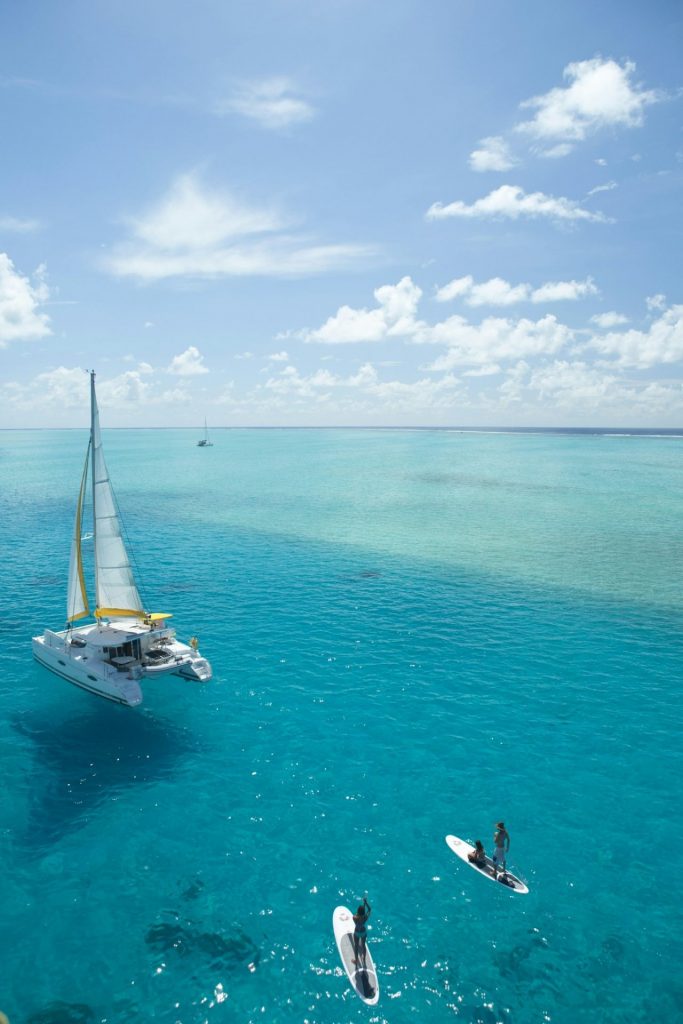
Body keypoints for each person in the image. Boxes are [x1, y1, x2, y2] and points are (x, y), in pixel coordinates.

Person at [352, 897, 371, 965]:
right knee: (363, 945)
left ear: (358, 911)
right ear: (363, 912)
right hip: (363, 932)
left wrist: (363, 906)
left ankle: (356, 960)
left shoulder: (354, 918)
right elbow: (369, 909)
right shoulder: (365, 917)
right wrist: (365, 903)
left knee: (356, 946)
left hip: (357, 933)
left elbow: (356, 915)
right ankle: (364, 959)